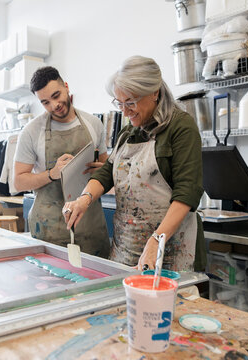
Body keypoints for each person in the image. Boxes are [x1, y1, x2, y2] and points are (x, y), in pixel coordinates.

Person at [63, 56, 205, 272]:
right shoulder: (128, 132)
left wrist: (157, 239)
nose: (125, 112)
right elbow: (107, 172)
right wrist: (84, 199)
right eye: (119, 103)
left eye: (130, 102)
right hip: (125, 249)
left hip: (168, 251)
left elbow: (187, 192)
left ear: (155, 92)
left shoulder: (181, 127)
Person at [13, 66, 110, 258]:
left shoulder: (94, 124)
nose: (54, 105)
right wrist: (52, 173)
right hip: (50, 230)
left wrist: (102, 170)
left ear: (66, 86)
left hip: (91, 228)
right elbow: (18, 181)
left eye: (57, 95)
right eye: (45, 102)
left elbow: (106, 171)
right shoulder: (32, 131)